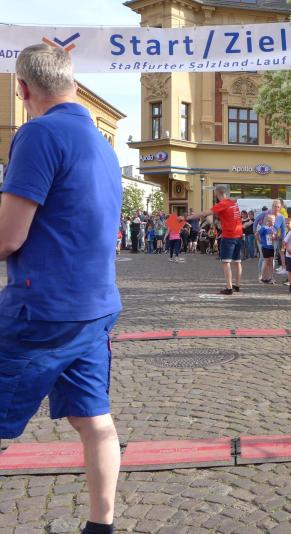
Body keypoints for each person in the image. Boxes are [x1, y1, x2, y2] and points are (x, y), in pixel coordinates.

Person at [0, 44, 122, 534]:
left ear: (23, 89)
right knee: (94, 420)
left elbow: (8, 237)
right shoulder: (102, 145)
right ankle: (101, 525)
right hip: (95, 306)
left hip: (42, 308)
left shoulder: (37, 133)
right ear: (72, 84)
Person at [186, 185, 244, 295]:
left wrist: (188, 217)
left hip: (229, 236)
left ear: (216, 194)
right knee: (237, 261)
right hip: (238, 235)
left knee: (226, 262)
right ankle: (237, 285)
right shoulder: (233, 203)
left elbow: (205, 213)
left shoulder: (222, 204)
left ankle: (229, 288)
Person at [257, 215, 277, 284]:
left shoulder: (272, 228)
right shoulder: (264, 228)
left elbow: (273, 238)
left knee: (271, 262)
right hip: (265, 247)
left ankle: (271, 277)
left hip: (271, 247)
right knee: (265, 262)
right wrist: (260, 241)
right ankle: (262, 278)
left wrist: (273, 236)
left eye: (274, 220)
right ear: (268, 221)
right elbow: (257, 234)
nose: (274, 222)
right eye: (273, 220)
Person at [271, 198, 288, 275]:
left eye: (278, 207)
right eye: (275, 206)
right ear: (272, 206)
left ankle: (284, 268)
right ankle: (270, 272)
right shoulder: (268, 215)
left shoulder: (281, 217)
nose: (276, 208)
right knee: (271, 255)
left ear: (280, 208)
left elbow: (283, 229)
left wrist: (284, 240)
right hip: (269, 239)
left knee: (281, 252)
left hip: (278, 238)